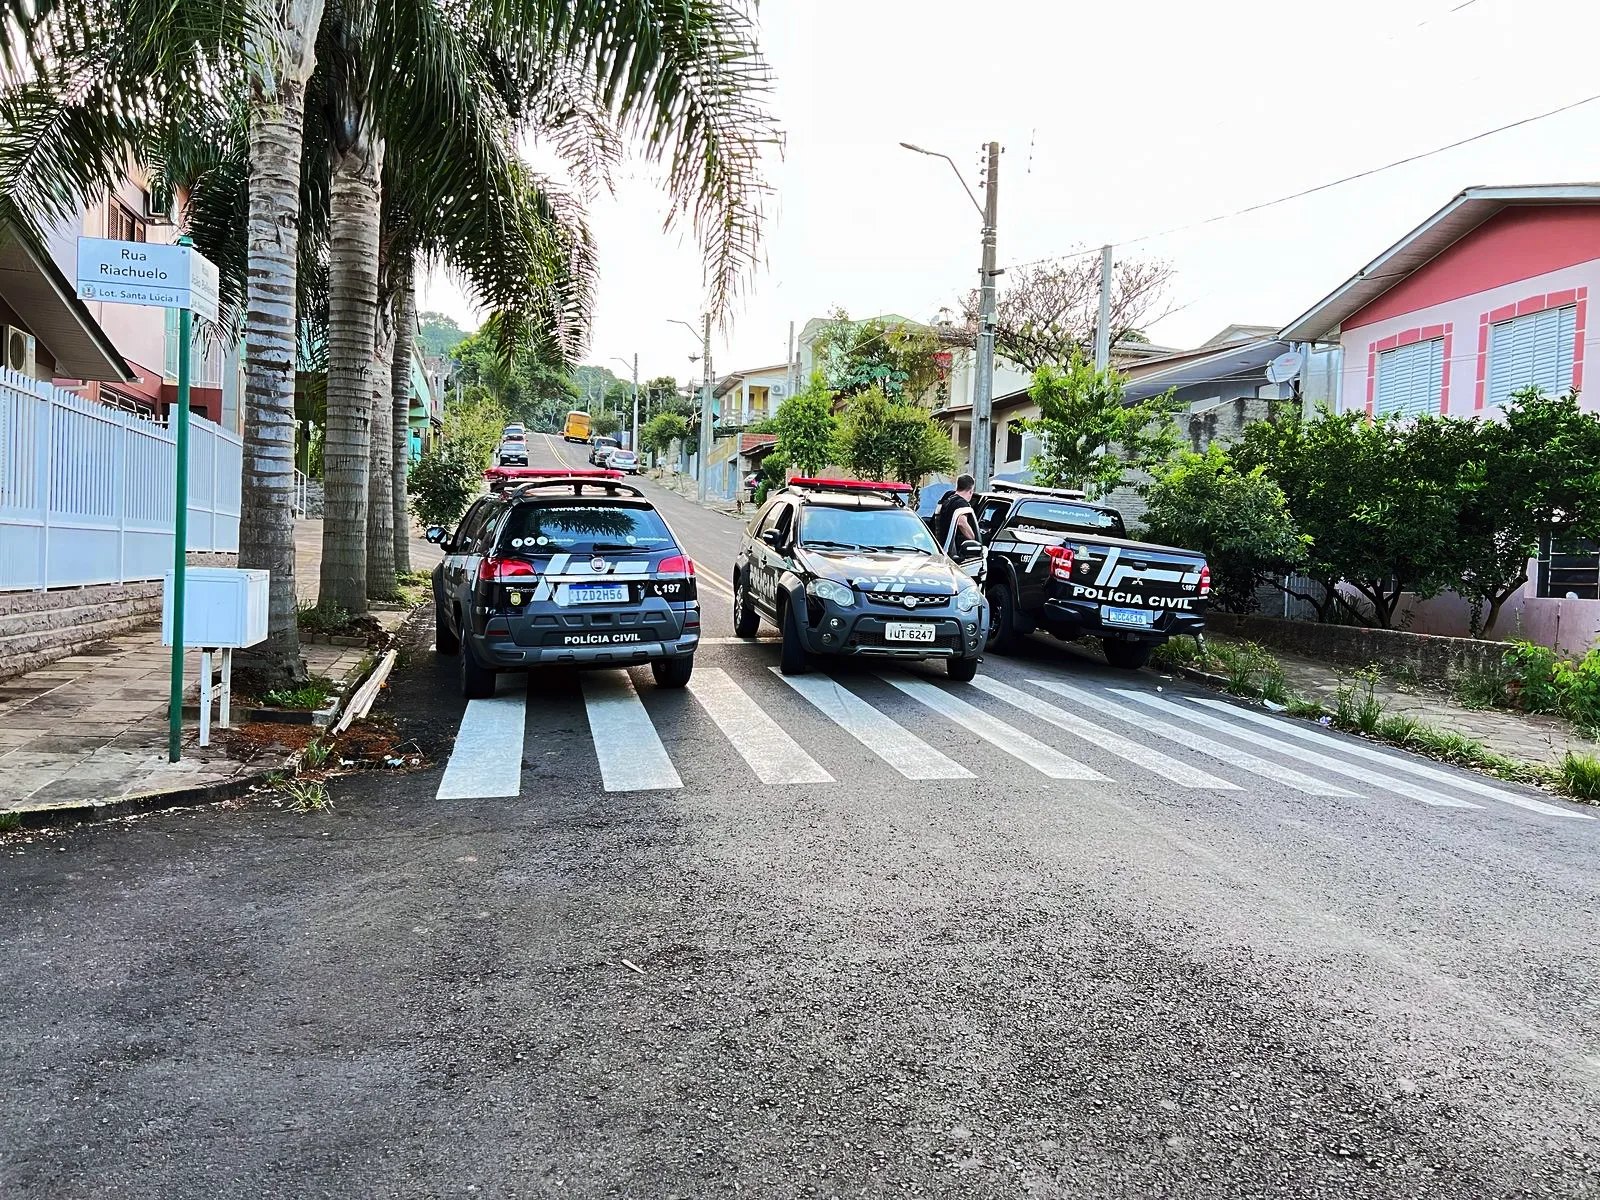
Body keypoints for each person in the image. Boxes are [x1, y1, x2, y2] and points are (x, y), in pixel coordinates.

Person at [934, 474, 979, 557]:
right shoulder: (962, 504)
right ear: (970, 491)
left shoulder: (947, 496)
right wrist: (974, 540)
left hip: (937, 546)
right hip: (950, 553)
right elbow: (961, 522)